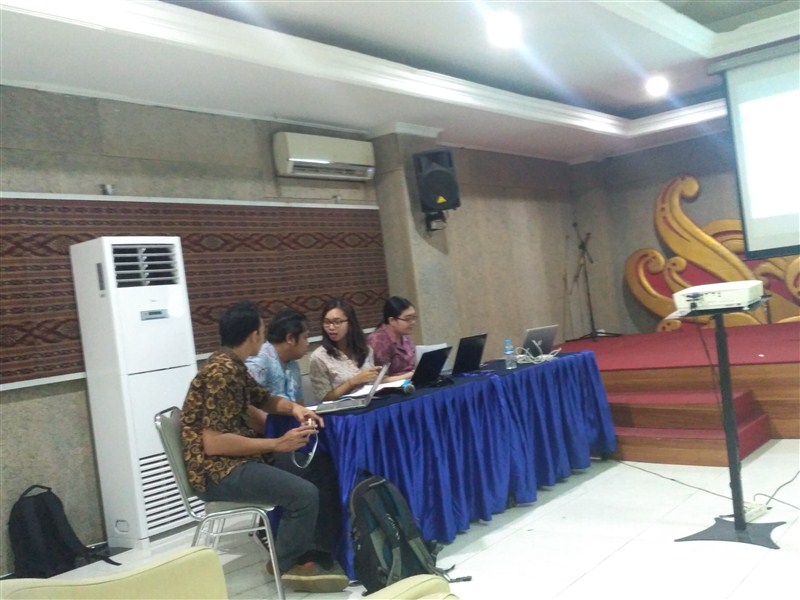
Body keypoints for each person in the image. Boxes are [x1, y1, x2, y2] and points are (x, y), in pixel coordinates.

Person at [181, 301, 349, 594]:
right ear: (253, 335)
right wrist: (277, 443)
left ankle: (313, 551)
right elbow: (214, 442)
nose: (264, 336)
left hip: (237, 461)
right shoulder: (221, 372)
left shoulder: (231, 365)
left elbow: (263, 399)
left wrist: (294, 409)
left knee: (319, 466)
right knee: (305, 494)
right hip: (218, 471)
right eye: (261, 330)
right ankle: (284, 562)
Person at [309, 298, 381, 402]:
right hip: (342, 410)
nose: (331, 327)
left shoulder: (366, 349)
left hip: (370, 403)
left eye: (337, 322)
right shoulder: (319, 357)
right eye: (327, 322)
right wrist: (353, 382)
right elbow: (323, 398)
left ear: (350, 323)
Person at [367, 296, 417, 379]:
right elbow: (379, 379)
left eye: (413, 318)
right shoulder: (378, 341)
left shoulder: (406, 337)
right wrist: (411, 375)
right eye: (407, 319)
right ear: (392, 321)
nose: (413, 322)